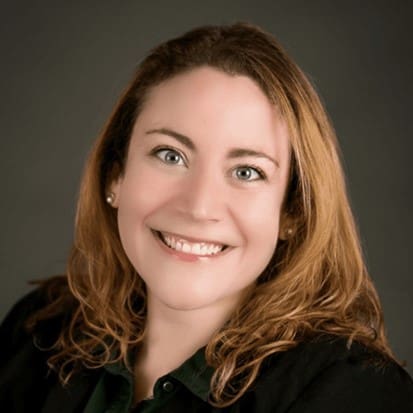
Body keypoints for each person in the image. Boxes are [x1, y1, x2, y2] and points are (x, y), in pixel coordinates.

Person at [1, 22, 412, 412]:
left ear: (292, 212)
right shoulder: (37, 333)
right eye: (170, 155)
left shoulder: (353, 395)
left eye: (247, 172)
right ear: (116, 177)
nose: (199, 206)